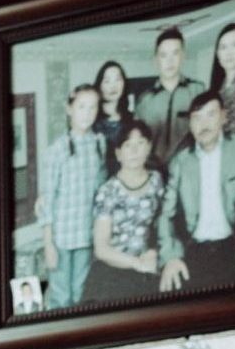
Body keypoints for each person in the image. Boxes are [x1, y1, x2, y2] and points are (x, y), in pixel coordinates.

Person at [156, 92, 235, 291]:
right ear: (190, 125)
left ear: (224, 117)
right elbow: (166, 214)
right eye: (197, 118)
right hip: (194, 250)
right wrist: (170, 257)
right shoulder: (180, 162)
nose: (204, 124)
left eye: (211, 114)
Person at [36, 84, 107, 309]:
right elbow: (47, 199)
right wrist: (48, 244)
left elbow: (101, 191)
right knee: (60, 296)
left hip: (86, 235)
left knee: (80, 294)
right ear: (69, 109)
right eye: (81, 107)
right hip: (61, 237)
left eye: (92, 107)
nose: (87, 113)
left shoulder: (100, 143)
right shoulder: (57, 149)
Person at [80, 122, 166, 303]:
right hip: (114, 270)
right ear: (118, 153)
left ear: (149, 147)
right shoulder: (108, 191)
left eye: (140, 143)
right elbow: (101, 249)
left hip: (150, 265)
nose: (134, 151)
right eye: (128, 145)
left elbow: (164, 225)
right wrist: (136, 264)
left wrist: (154, 251)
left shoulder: (157, 181)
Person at [134, 27, 205, 164]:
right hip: (154, 169)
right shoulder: (145, 100)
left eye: (175, 53)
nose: (170, 61)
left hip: (189, 167)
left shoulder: (197, 90)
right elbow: (138, 140)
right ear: (156, 59)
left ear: (183, 56)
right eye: (163, 55)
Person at [91, 61, 134, 170]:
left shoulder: (131, 119)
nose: (113, 86)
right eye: (107, 81)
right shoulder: (91, 119)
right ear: (99, 86)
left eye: (118, 79)